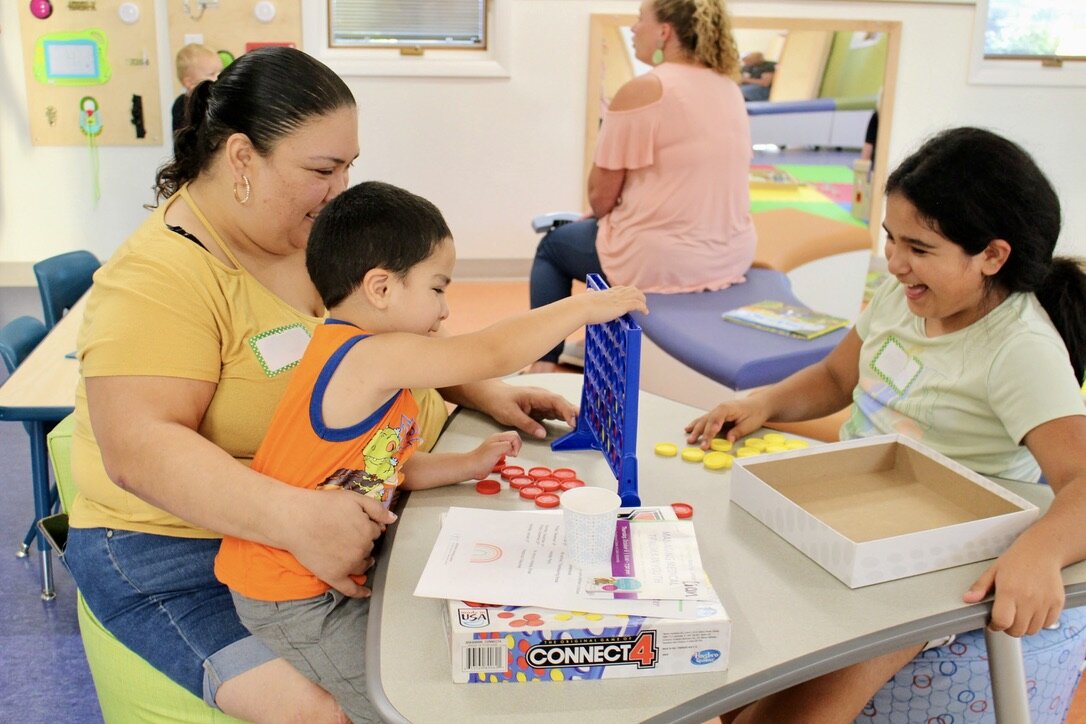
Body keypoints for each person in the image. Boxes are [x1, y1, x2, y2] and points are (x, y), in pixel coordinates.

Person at [63, 46, 581, 722]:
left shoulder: (306, 240)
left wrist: (480, 391)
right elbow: (140, 449)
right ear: (243, 159)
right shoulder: (158, 278)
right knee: (341, 705)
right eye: (321, 170)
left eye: (348, 168)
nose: (339, 191)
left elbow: (382, 330)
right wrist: (296, 518)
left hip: (315, 515)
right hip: (174, 553)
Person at [685, 127, 1086, 722]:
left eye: (919, 248)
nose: (896, 262)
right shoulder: (906, 296)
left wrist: (1041, 553)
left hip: (930, 565)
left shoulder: (1019, 348)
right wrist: (766, 402)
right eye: (889, 239)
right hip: (849, 518)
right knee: (730, 676)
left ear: (992, 256)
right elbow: (834, 378)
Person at [215, 180, 648, 720]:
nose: (444, 312)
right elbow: (489, 350)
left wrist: (466, 465)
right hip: (290, 595)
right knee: (401, 704)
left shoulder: (365, 361)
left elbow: (378, 469)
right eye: (438, 289)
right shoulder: (367, 358)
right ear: (381, 288)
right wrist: (582, 308)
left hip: (317, 572)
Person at [528, 0, 755, 373]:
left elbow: (600, 199)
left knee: (553, 247)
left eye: (640, 20)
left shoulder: (645, 89)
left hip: (665, 260)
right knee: (594, 234)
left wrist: (605, 213)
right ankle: (593, 344)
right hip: (731, 253)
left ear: (664, 31)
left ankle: (542, 364)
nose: (634, 28)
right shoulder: (728, 87)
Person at [170, 43, 223, 140]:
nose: (218, 78)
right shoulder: (181, 106)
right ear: (189, 83)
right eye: (211, 74)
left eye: (220, 72)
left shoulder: (220, 100)